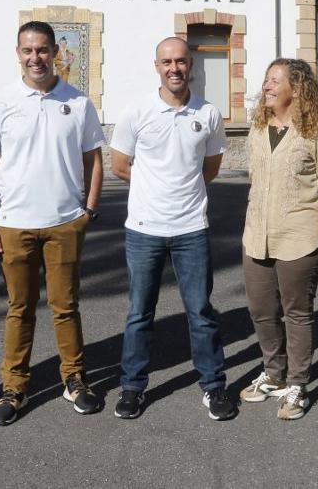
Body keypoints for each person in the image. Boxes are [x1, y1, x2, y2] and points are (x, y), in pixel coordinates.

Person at [0, 21, 105, 427]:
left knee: (65, 308)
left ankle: (74, 379)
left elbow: (93, 160)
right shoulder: (1, 103)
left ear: (56, 53)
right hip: (14, 225)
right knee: (20, 309)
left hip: (65, 223)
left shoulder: (79, 103)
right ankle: (14, 387)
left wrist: (89, 211)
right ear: (18, 54)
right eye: (28, 51)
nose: (36, 58)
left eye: (43, 50)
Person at [109, 36, 235, 421]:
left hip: (191, 228)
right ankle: (133, 386)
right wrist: (155, 189)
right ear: (157, 66)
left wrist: (180, 190)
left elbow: (210, 167)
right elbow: (119, 164)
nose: (174, 68)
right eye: (167, 62)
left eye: (180, 61)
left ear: (190, 64)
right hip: (144, 229)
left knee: (200, 311)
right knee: (139, 313)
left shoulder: (208, 113)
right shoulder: (137, 111)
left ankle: (213, 387)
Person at [239, 58, 318, 421]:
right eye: (266, 80)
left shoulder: (317, 133)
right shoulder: (257, 127)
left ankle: (298, 384)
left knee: (297, 313)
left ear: (296, 90)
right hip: (257, 234)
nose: (265, 87)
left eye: (274, 81)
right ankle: (273, 373)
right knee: (262, 310)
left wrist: (315, 224)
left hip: (300, 236)